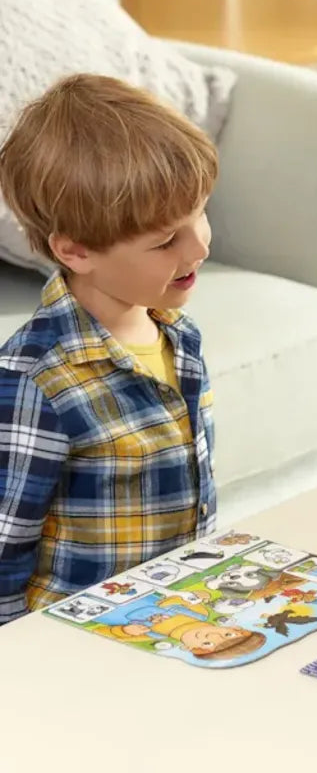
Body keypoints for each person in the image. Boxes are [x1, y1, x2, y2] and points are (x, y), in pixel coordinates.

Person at [0, 73, 218, 624]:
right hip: (78, 653)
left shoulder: (180, 339)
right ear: (75, 251)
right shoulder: (37, 381)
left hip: (177, 624)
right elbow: (4, 548)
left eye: (201, 215)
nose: (199, 246)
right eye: (166, 240)